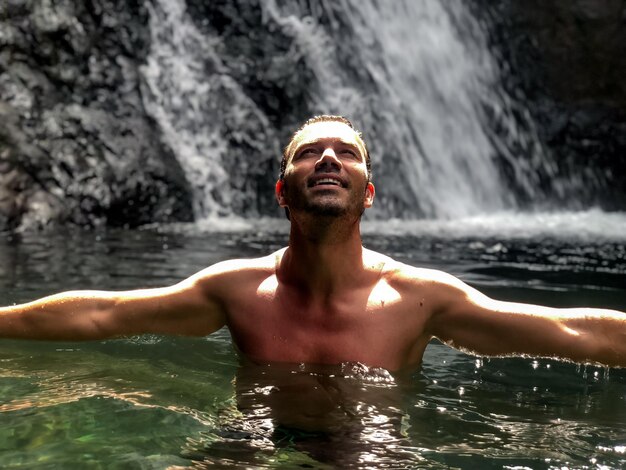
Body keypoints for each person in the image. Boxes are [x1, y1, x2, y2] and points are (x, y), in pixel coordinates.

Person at [1, 115, 624, 371]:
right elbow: (104, 312)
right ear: (282, 189)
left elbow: (572, 332)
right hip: (254, 439)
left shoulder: (422, 300)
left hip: (376, 447)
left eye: (346, 153)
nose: (329, 158)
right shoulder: (234, 290)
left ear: (369, 192)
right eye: (310, 154)